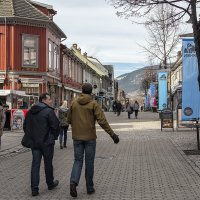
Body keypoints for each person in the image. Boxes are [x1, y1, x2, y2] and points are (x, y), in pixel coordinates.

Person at [67, 83, 119, 198]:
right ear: (91, 92)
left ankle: (73, 182)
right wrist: (112, 134)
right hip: (90, 137)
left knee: (77, 160)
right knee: (89, 162)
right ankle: (89, 187)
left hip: (77, 137)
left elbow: (69, 119)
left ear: (82, 90)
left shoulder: (74, 103)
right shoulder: (93, 104)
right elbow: (102, 121)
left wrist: (76, 126)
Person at [23, 93, 60, 197]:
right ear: (43, 100)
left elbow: (25, 126)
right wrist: (53, 137)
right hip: (47, 143)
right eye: (49, 99)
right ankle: (50, 184)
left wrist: (32, 137)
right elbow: (56, 126)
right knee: (48, 164)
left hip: (35, 143)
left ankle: (34, 189)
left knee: (35, 165)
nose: (51, 101)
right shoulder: (49, 111)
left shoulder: (30, 111)